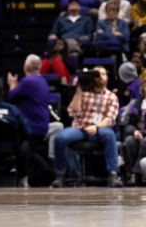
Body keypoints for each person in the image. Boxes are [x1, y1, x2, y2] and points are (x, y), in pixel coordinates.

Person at [52, 66, 122, 188]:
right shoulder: (84, 93)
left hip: (99, 129)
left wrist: (95, 126)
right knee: (59, 138)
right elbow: (72, 112)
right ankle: (60, 174)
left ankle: (113, 173)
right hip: (80, 128)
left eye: (103, 74)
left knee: (110, 135)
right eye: (97, 74)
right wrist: (78, 90)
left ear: (107, 78)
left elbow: (109, 119)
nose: (100, 77)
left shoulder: (111, 97)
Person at [8, 55, 62, 186]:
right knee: (28, 149)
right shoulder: (42, 80)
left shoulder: (29, 81)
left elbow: (12, 96)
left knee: (25, 149)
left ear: (26, 67)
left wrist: (12, 84)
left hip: (32, 127)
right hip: (41, 124)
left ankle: (50, 174)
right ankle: (45, 175)